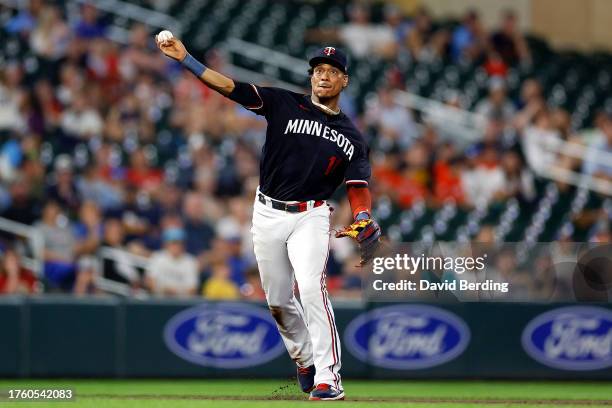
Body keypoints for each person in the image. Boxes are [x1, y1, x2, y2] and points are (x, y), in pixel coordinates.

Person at [156, 33, 381, 401]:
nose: (324, 76)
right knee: (277, 300)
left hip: (312, 215)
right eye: (318, 70)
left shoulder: (352, 137)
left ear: (344, 81)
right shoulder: (282, 103)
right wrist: (187, 60)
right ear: (311, 77)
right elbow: (230, 87)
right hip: (267, 212)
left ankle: (328, 378)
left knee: (311, 287)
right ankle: (305, 359)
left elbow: (357, 185)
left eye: (332, 71)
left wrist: (363, 214)